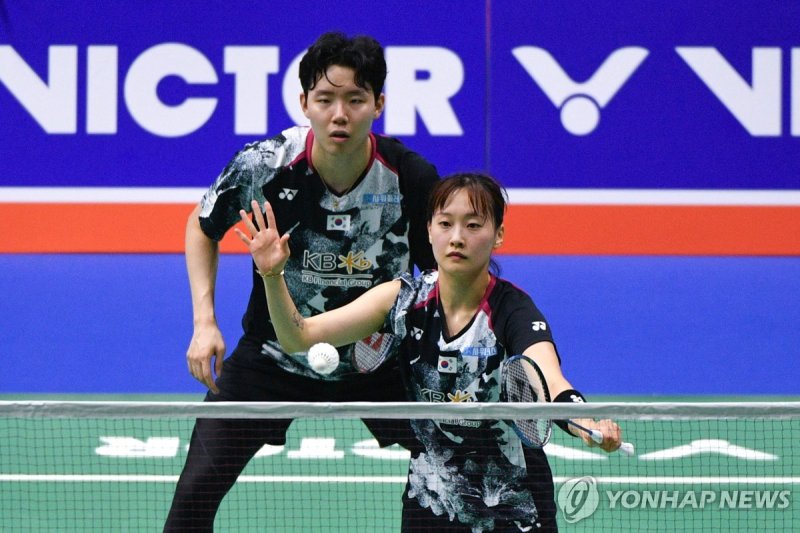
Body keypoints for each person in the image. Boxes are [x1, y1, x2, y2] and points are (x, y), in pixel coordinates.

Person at [237, 172, 624, 532]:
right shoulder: (402, 300)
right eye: (445, 223)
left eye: (473, 225)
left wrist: (585, 421)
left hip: (512, 499)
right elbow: (298, 337)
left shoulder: (512, 309)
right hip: (432, 495)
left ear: (499, 234)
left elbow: (549, 380)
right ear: (429, 230)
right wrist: (272, 275)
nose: (457, 237)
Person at [164, 32, 439, 531]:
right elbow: (202, 226)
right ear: (304, 104)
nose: (340, 114)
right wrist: (205, 321)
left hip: (380, 359)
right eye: (326, 99)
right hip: (273, 355)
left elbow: (439, 276)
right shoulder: (264, 166)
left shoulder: (410, 179)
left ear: (378, 104)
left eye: (356, 99)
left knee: (456, 468)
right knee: (192, 498)